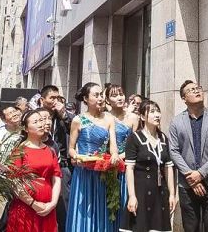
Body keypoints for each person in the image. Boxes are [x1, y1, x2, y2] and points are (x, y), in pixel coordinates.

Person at [168, 80, 208, 232]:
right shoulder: (176, 122)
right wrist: (191, 178)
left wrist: (200, 174)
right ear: (184, 98)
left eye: (198, 88)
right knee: (191, 228)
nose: (196, 91)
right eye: (191, 90)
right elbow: (173, 151)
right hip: (187, 185)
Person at [66, 82, 120, 232]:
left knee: (101, 210)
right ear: (86, 98)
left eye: (101, 95)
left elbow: (113, 144)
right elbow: (71, 149)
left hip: (102, 170)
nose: (100, 98)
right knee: (84, 211)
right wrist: (77, 157)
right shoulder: (78, 120)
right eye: (96, 95)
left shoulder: (109, 118)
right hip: (84, 171)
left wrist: (115, 154)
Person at [122, 100, 176, 232]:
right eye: (152, 112)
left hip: (160, 192)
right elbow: (129, 169)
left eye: (158, 111)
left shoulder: (163, 138)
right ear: (142, 116)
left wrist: (172, 194)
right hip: (141, 192)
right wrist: (132, 196)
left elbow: (168, 168)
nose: (157, 115)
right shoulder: (134, 138)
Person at [6, 109, 62, 232]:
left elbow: (56, 178)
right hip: (26, 206)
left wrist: (53, 203)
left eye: (41, 121)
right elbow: (14, 183)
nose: (41, 124)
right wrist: (33, 203)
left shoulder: (50, 150)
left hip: (47, 206)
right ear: (26, 129)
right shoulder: (19, 151)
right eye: (35, 122)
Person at [104, 83, 139, 227]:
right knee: (107, 205)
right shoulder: (104, 117)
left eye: (121, 94)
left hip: (126, 166)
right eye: (114, 95)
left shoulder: (133, 118)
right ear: (107, 100)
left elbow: (136, 144)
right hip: (107, 166)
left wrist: (121, 156)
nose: (119, 97)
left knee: (124, 203)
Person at [40, 85, 73, 231]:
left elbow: (75, 130)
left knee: (63, 207)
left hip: (61, 167)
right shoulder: (35, 117)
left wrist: (63, 115)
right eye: (51, 98)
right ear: (42, 100)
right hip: (40, 167)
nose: (55, 101)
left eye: (57, 98)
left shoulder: (64, 116)